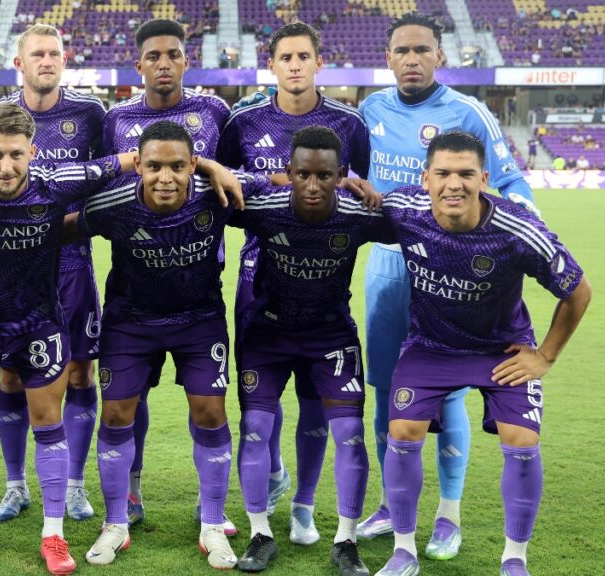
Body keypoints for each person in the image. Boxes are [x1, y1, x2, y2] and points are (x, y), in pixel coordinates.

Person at [0, 103, 239, 576]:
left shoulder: (60, 182)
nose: (6, 166)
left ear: (32, 152)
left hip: (39, 324)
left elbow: (129, 160)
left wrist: (210, 166)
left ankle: (54, 536)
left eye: (16, 154)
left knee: (49, 422)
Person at [357, 12, 539, 558]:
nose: (412, 59)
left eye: (422, 50)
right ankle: (391, 505)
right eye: (402, 50)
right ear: (388, 59)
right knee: (388, 390)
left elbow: (510, 179)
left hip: (451, 269)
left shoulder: (468, 112)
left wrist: (516, 232)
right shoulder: (370, 110)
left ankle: (448, 515)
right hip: (390, 265)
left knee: (451, 387)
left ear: (440, 55)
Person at [374, 130, 591, 576]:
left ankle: (514, 560)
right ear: (425, 178)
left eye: (466, 174)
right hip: (431, 347)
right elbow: (347, 213)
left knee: (522, 441)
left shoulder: (518, 230)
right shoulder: (403, 209)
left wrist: (545, 357)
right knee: (402, 430)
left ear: (484, 179)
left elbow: (578, 291)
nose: (454, 184)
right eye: (443, 173)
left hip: (500, 350)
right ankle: (403, 551)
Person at [217, 21, 371, 545]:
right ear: (272, 65)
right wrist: (271, 182)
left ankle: (303, 506)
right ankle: (273, 471)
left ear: (318, 62)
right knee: (259, 399)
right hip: (258, 275)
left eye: (304, 56)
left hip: (323, 274)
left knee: (314, 399)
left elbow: (357, 189)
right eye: (286, 57)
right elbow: (224, 188)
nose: (295, 65)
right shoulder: (244, 121)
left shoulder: (348, 122)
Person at [73, 121, 239, 569]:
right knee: (115, 414)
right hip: (131, 322)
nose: (166, 177)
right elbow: (61, 227)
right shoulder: (113, 203)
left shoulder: (216, 195)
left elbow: (278, 190)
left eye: (177, 166)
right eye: (154, 167)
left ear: (193, 165)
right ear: (138, 166)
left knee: (211, 413)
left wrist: (218, 169)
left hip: (199, 321)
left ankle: (213, 523)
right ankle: (115, 523)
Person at [100, 17, 235, 534]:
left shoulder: (214, 111)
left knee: (208, 405)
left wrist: (212, 167)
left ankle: (213, 505)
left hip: (199, 281)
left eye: (173, 54)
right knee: (127, 400)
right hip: (134, 284)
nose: (164, 64)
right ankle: (129, 493)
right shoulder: (116, 118)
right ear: (138, 64)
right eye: (153, 56)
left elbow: (234, 177)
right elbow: (105, 183)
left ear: (186, 60)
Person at [229, 126, 382, 575]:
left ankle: (344, 540)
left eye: (324, 176)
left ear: (341, 175)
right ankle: (260, 534)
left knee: (348, 432)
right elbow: (209, 192)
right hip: (268, 334)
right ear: (289, 172)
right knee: (255, 427)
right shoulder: (265, 207)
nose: (313, 186)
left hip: (330, 336)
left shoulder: (358, 214)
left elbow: (421, 222)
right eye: (303, 175)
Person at [0, 24, 107, 523]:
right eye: (37, 54)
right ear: (20, 63)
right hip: (14, 271)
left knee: (80, 370)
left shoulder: (90, 114)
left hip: (73, 266)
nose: (47, 61)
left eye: (54, 53)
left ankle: (75, 485)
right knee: (11, 373)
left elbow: (105, 177)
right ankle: (15, 486)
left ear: (64, 59)